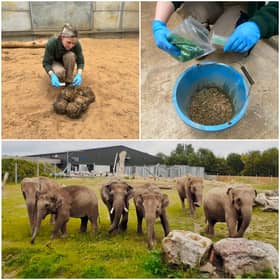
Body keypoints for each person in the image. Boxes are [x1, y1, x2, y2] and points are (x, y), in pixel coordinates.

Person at [152, 2, 278, 56]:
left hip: (240, 3)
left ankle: (238, 28)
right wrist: (159, 24)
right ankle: (202, 38)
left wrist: (259, 25)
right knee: (190, 9)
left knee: (219, 42)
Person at [43, 23, 85, 88]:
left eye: (73, 43)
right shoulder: (52, 42)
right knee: (59, 73)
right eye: (68, 42)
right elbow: (46, 63)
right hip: (55, 62)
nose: (71, 46)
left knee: (70, 55)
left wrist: (79, 74)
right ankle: (59, 77)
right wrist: (52, 75)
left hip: (67, 60)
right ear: (62, 37)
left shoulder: (76, 44)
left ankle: (68, 81)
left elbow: (80, 61)